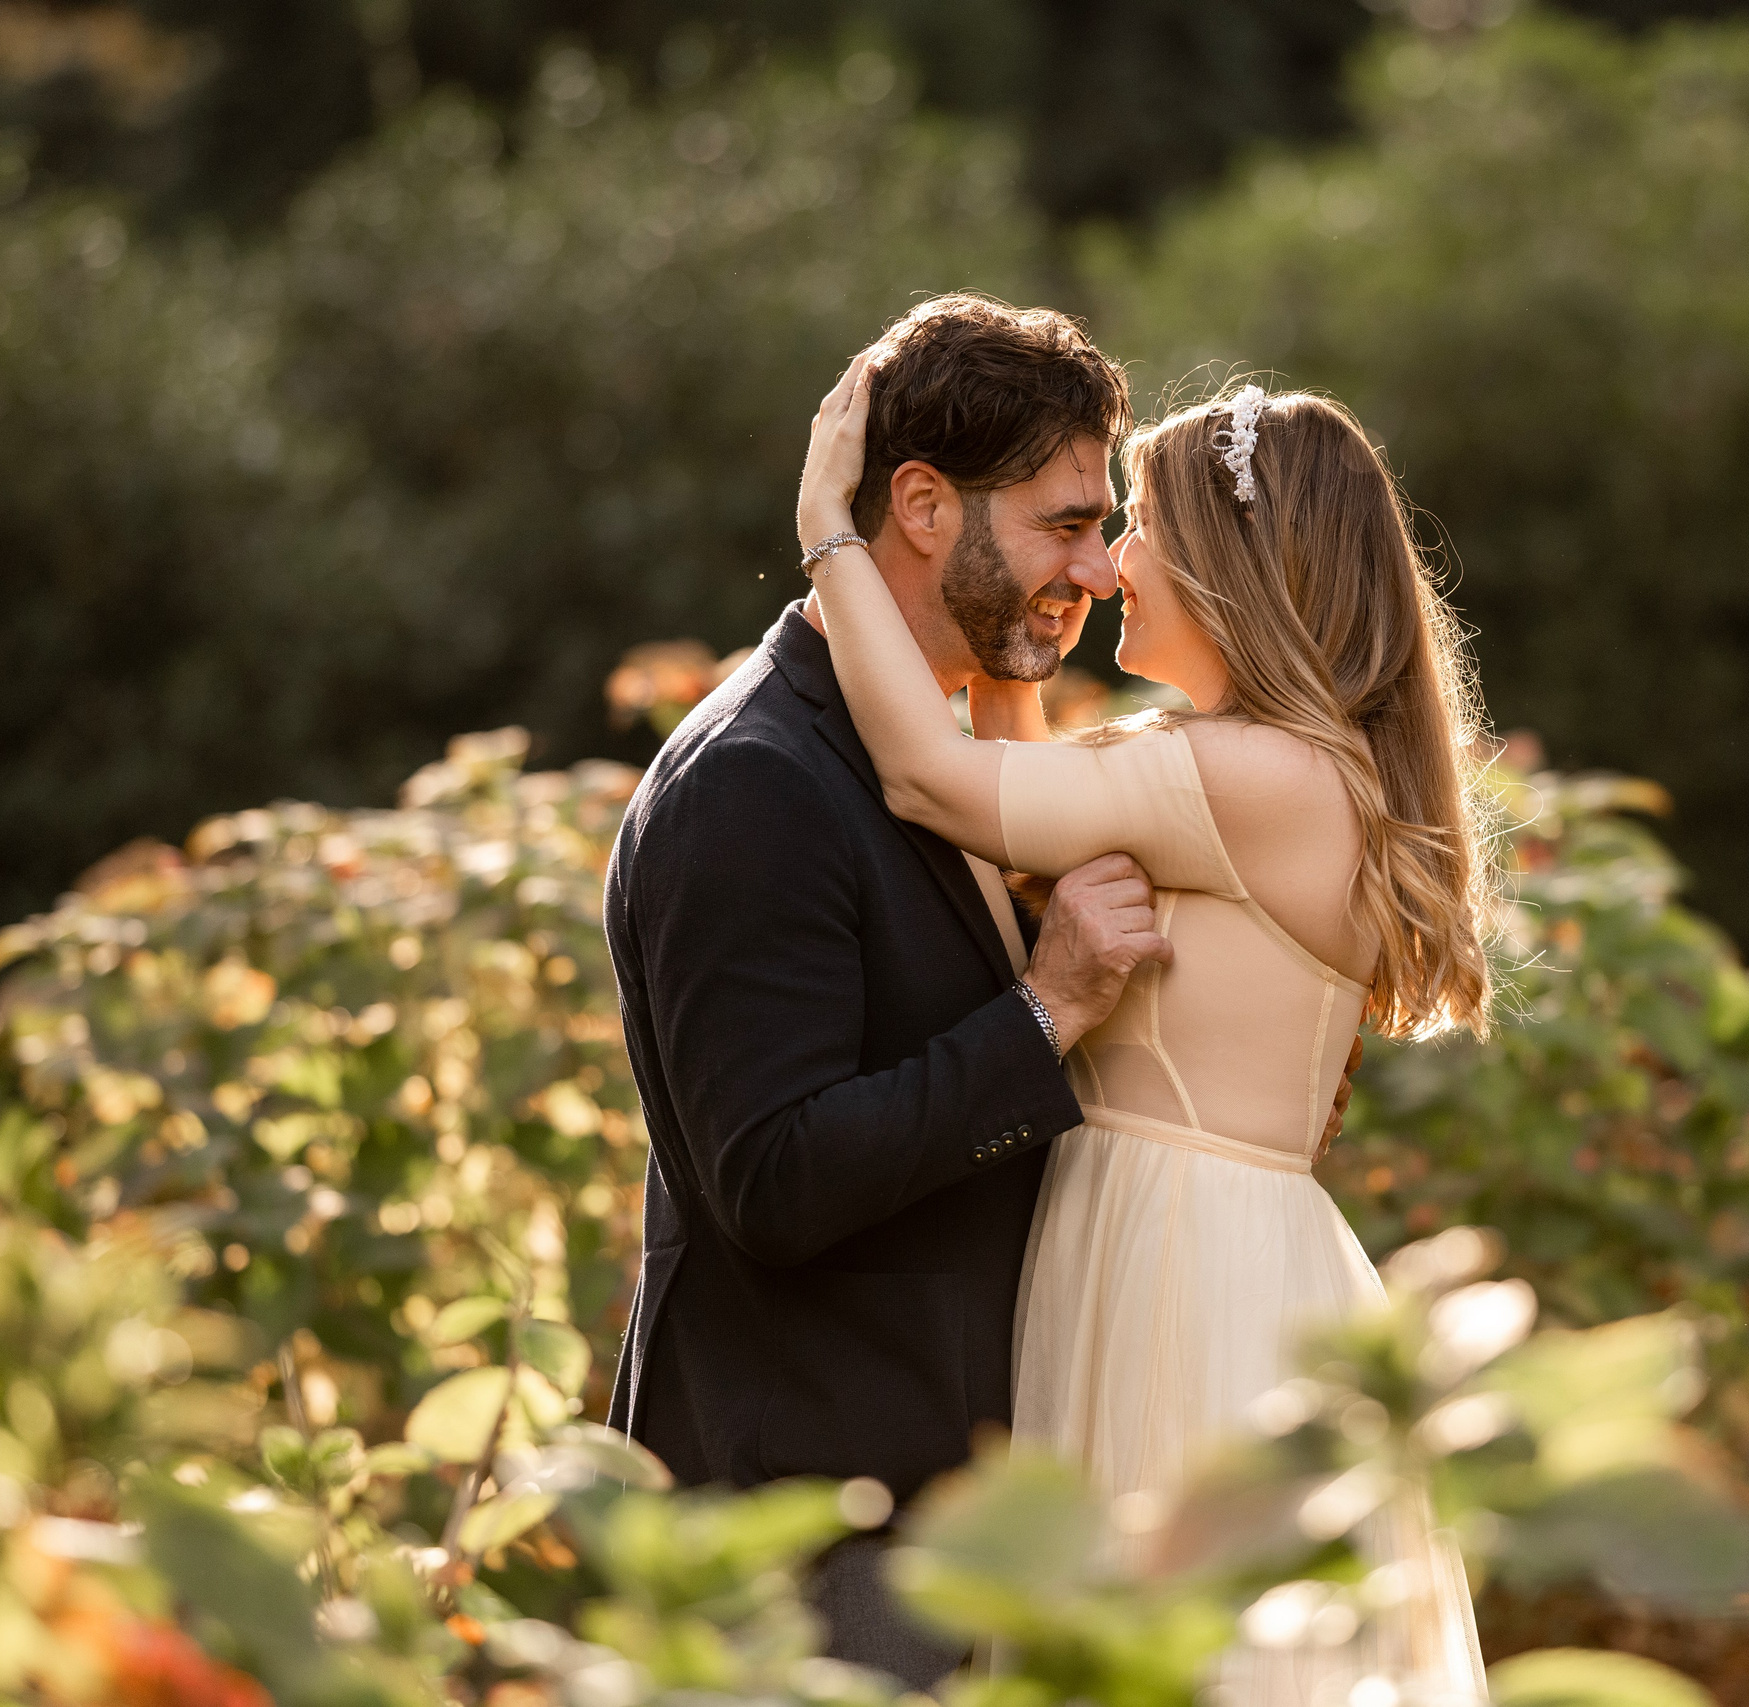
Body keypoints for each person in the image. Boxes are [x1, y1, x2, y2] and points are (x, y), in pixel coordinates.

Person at [795, 350, 1496, 1704]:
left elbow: (935, 782)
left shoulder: (1241, 775)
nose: (1110, 564)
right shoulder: (1269, 765)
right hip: (1187, 1233)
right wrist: (1014, 661)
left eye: (1144, 532)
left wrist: (831, 530)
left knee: (1165, 1645)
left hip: (1179, 1255)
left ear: (1237, 570)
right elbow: (1020, 790)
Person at [601, 296, 1166, 1687]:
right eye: (1065, 522)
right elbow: (775, 1179)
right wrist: (1045, 1013)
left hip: (942, 1516)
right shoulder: (758, 781)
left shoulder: (936, 758)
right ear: (921, 506)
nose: (1097, 571)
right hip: (816, 1539)